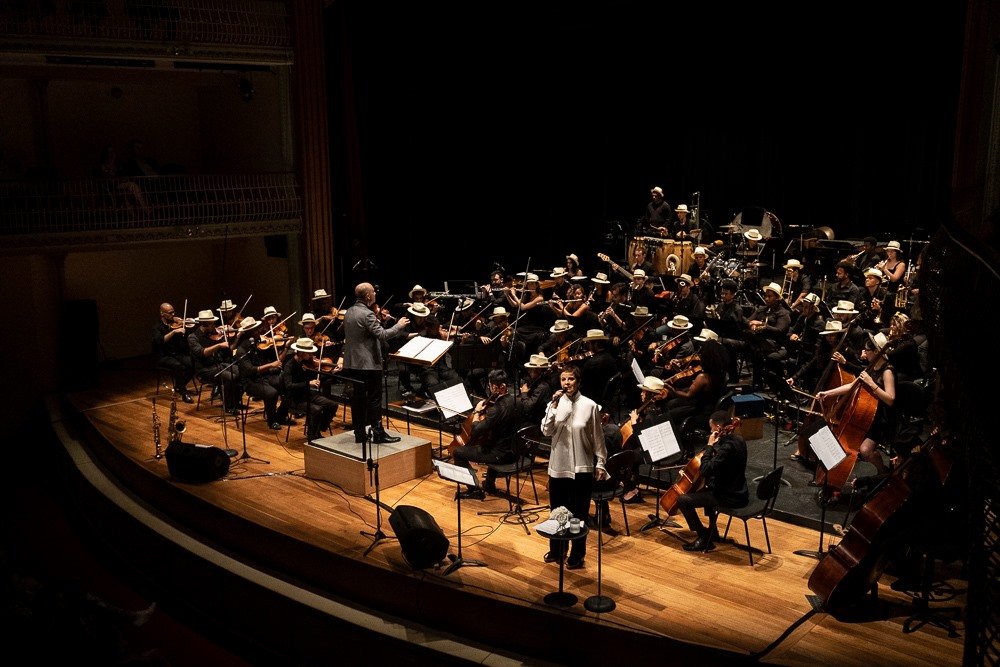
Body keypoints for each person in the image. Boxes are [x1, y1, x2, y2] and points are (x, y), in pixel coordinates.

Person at [540, 364, 609, 569]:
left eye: (570, 379)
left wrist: (601, 462)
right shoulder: (555, 403)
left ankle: (578, 554)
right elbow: (546, 430)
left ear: (578, 382)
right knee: (557, 511)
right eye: (563, 379)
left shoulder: (590, 405)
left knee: (578, 514)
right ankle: (557, 550)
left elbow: (598, 438)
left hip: (582, 468)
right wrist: (552, 407)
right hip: (558, 466)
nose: (566, 383)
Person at [816, 331, 897, 474]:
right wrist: (828, 393)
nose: (864, 353)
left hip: (882, 419)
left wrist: (871, 383)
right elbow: (852, 386)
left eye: (867, 350)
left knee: (865, 451)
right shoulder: (871, 367)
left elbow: (890, 399)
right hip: (867, 414)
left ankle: (883, 472)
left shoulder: (887, 371)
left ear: (875, 351)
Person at [341, 282, 410, 445]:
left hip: (352, 363)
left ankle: (359, 434)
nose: (375, 295)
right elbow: (382, 335)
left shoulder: (349, 311)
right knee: (374, 399)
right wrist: (398, 326)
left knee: (357, 400)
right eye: (373, 292)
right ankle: (378, 433)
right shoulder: (367, 314)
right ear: (367, 296)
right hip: (368, 365)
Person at [676, 409, 749, 552]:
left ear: (718, 427)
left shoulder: (727, 448)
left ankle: (703, 537)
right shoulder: (739, 439)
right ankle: (713, 532)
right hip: (739, 490)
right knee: (706, 487)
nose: (711, 431)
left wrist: (709, 446)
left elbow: (705, 470)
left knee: (683, 500)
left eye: (711, 428)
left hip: (729, 496)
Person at [452, 369, 524, 499]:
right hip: (514, 452)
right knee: (494, 442)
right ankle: (489, 484)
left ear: (498, 387)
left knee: (458, 452)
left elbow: (475, 431)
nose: (490, 389)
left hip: (499, 455)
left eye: (491, 386)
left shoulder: (496, 410)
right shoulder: (517, 401)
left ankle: (474, 490)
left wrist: (477, 412)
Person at [234, 316, 290, 430]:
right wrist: (271, 365)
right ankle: (272, 420)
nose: (257, 331)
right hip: (250, 381)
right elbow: (250, 370)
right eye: (254, 330)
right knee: (272, 392)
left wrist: (284, 345)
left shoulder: (259, 344)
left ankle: (280, 415)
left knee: (287, 384)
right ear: (247, 333)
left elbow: (273, 356)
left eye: (256, 329)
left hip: (265, 376)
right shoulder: (242, 350)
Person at [282, 337, 338, 440]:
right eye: (309, 353)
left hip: (307, 395)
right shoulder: (289, 366)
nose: (311, 355)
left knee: (332, 405)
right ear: (301, 352)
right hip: (294, 399)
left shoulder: (306, 363)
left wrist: (331, 372)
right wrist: (308, 384)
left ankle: (319, 429)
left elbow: (316, 377)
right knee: (317, 409)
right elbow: (289, 386)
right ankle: (312, 435)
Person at [187, 309, 241, 414]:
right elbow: (202, 353)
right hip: (205, 369)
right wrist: (219, 345)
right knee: (231, 377)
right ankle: (228, 406)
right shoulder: (193, 337)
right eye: (212, 324)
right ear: (204, 324)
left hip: (218, 364)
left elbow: (230, 349)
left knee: (241, 371)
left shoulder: (214, 334)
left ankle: (235, 401)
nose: (215, 326)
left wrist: (237, 337)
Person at [152, 302, 194, 402]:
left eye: (173, 312)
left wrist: (183, 329)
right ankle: (184, 393)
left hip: (177, 354)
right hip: (164, 356)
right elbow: (160, 340)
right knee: (178, 366)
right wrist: (174, 332)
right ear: (162, 314)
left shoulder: (176, 323)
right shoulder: (157, 327)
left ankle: (179, 386)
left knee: (193, 363)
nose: (173, 315)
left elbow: (184, 339)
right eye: (170, 313)